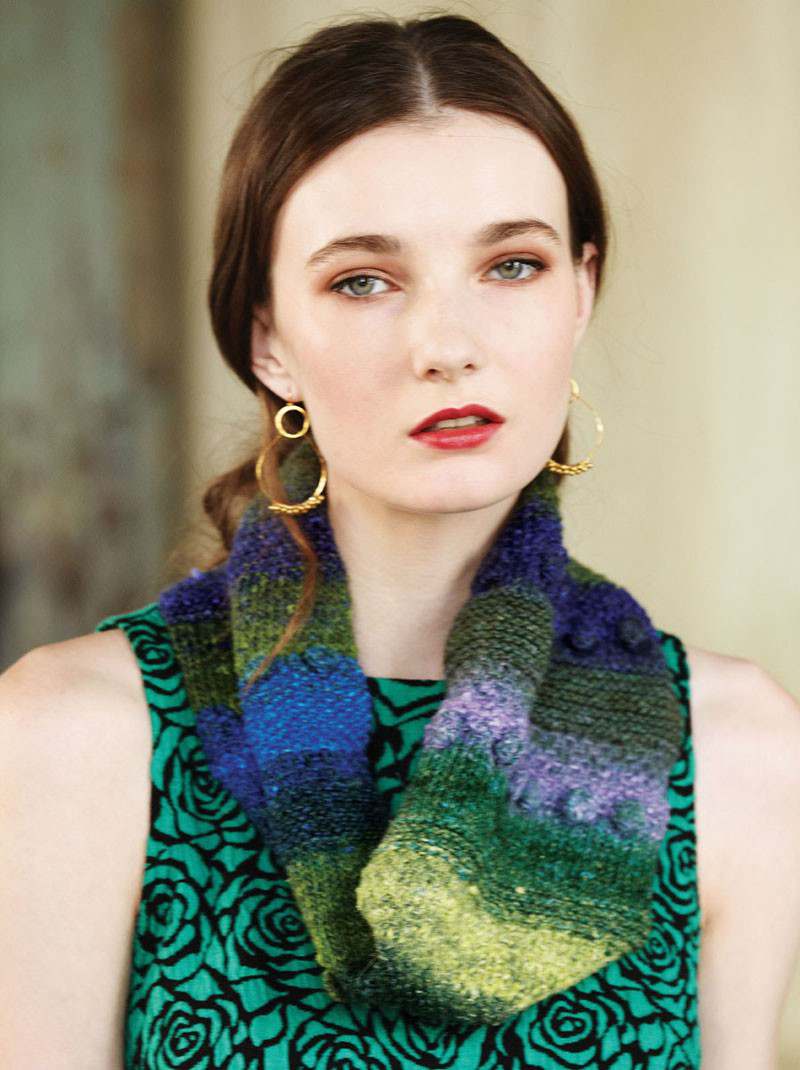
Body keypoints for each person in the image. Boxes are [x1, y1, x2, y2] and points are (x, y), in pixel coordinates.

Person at [2, 12, 799, 1070]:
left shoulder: (736, 747)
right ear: (267, 340)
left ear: (581, 292)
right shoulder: (76, 736)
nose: (447, 346)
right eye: (363, 281)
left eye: (511, 265)